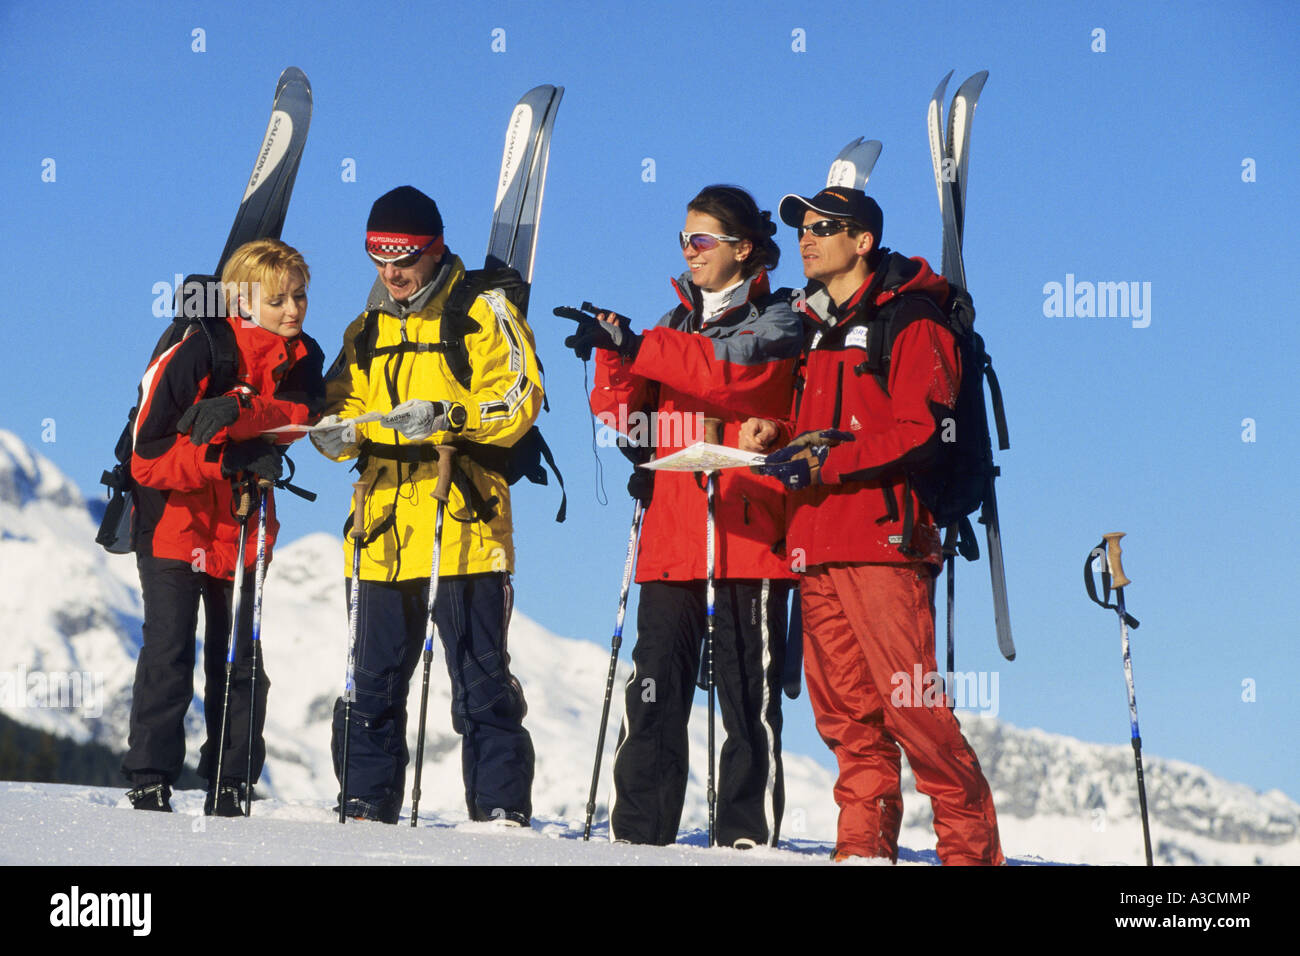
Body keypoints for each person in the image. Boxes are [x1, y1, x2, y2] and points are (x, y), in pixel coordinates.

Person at [754, 186, 1004, 865]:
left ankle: (971, 856)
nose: (807, 239)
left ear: (862, 241)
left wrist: (825, 465)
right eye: (803, 228)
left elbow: (923, 429)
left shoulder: (913, 317)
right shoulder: (810, 326)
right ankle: (861, 854)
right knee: (846, 722)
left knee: (913, 713)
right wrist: (771, 433)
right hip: (816, 541)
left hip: (885, 541)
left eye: (824, 228)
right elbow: (817, 430)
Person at [567, 185, 802, 848]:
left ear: (742, 249)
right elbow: (623, 415)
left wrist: (636, 343)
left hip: (747, 537)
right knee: (652, 697)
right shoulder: (670, 326)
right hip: (672, 537)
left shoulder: (779, 319)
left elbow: (731, 377)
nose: (689, 251)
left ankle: (744, 839)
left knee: (746, 705)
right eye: (684, 240)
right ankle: (641, 839)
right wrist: (611, 351)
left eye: (701, 240)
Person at [312, 185, 541, 825]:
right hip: (380, 532)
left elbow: (520, 399)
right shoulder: (366, 328)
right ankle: (362, 808)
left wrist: (450, 416)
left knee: (482, 684)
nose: (392, 272)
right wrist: (336, 433)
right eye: (378, 257)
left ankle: (499, 815)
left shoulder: (481, 312)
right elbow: (339, 406)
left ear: (435, 247)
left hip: (462, 525)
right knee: (371, 684)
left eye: (405, 256)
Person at [123, 238, 325, 815]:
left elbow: (305, 415)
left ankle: (231, 782)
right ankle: (151, 779)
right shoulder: (198, 350)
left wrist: (242, 412)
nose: (294, 310)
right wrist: (223, 458)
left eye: (301, 296)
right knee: (170, 654)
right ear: (240, 298)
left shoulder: (301, 356)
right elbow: (147, 456)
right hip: (174, 525)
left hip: (243, 526)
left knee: (241, 660)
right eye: (279, 299)